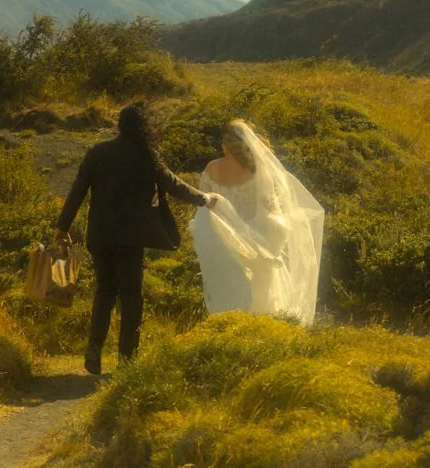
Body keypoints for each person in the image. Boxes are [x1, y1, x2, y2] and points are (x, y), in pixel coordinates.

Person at [54, 103, 217, 376]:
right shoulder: (146, 156)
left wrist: (62, 227)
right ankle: (127, 360)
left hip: (100, 234)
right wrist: (205, 199)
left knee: (105, 291)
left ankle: (94, 347)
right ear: (144, 127)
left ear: (120, 125)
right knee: (131, 296)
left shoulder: (97, 153)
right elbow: (173, 185)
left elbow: (77, 191)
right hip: (131, 238)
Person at [188, 118, 325, 325]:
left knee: (228, 282)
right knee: (260, 285)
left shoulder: (212, 168)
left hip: (223, 236)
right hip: (256, 235)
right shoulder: (260, 170)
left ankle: (227, 321)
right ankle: (259, 323)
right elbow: (270, 206)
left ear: (225, 145)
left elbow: (205, 202)